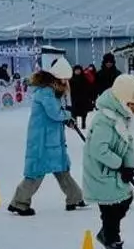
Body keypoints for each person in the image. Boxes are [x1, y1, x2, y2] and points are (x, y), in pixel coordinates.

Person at [82, 74, 134, 249]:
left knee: (124, 200)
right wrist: (119, 165)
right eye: (132, 104)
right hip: (101, 172)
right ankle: (113, 247)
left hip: (114, 172)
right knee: (110, 211)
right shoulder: (104, 120)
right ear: (121, 100)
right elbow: (98, 149)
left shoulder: (123, 117)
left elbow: (128, 144)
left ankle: (106, 234)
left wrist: (130, 166)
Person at [9, 59, 86, 216]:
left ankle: (75, 197)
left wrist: (67, 119)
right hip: (42, 141)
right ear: (56, 77)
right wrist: (67, 115)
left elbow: (58, 113)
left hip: (53, 139)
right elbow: (55, 113)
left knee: (62, 169)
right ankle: (19, 202)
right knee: (36, 172)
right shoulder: (45, 92)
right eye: (64, 79)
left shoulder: (53, 91)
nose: (66, 82)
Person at [69, 64, 93, 129]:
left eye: (79, 70)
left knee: (84, 113)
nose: (77, 71)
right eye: (76, 70)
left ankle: (83, 123)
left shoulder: (84, 79)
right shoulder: (71, 80)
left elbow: (88, 88)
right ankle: (75, 123)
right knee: (74, 112)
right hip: (74, 98)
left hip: (83, 98)